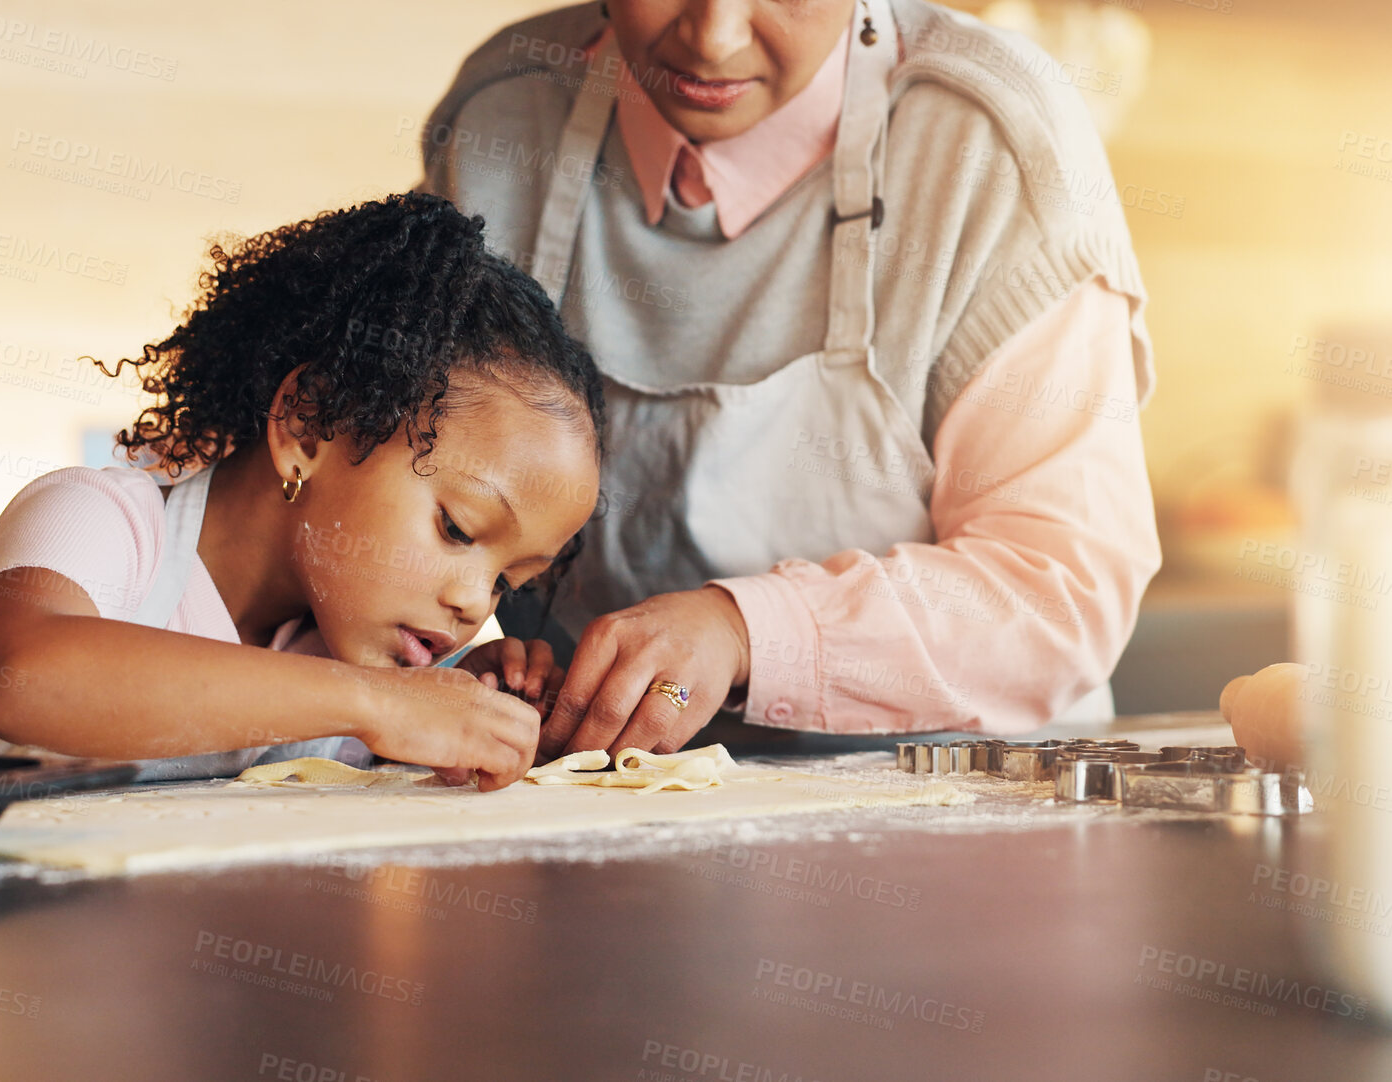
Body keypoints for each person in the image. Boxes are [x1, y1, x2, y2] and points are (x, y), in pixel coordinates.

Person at [416, 0, 1162, 761]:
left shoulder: (993, 146)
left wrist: (742, 633)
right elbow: (401, 491)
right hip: (576, 799)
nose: (714, 38)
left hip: (959, 804)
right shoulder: (502, 111)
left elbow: (1056, 592)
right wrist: (470, 652)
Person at [0, 193, 606, 791]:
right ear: (309, 424)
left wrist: (455, 724)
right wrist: (381, 705)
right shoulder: (105, 522)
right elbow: (24, 675)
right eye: (458, 529)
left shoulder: (346, 649)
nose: (472, 603)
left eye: (507, 584)